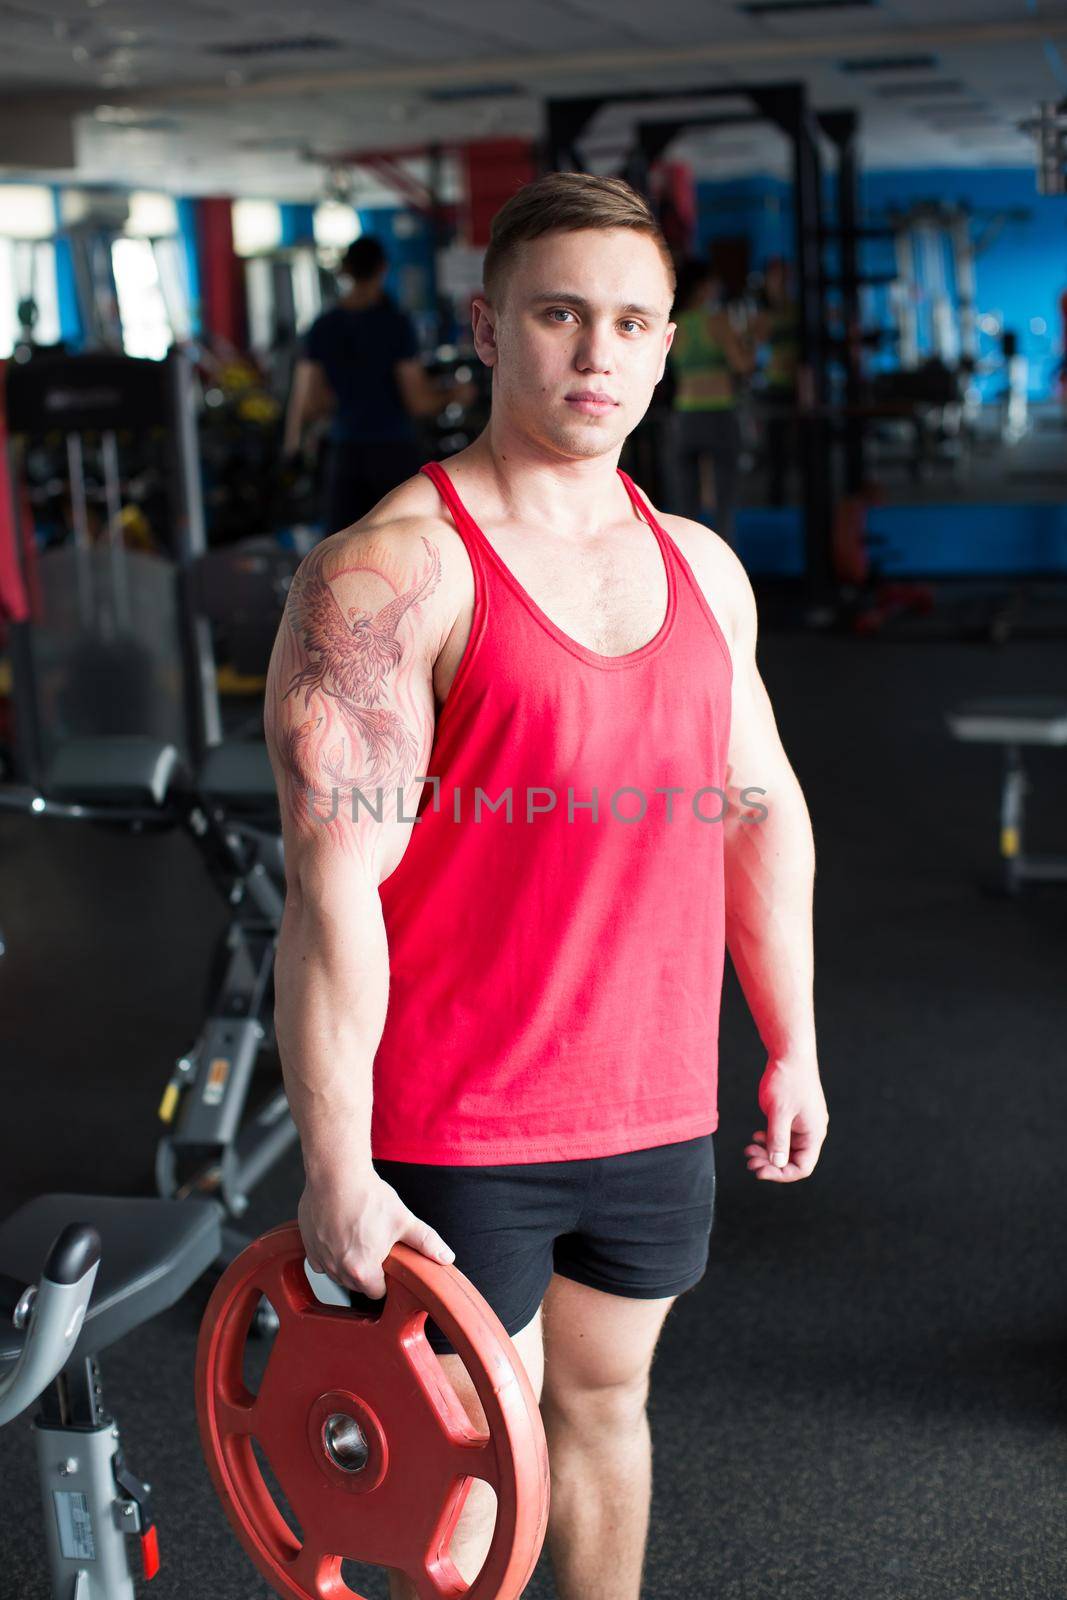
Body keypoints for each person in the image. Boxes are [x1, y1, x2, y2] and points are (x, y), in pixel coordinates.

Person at [265, 171, 828, 1600]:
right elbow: (330, 896)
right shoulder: (392, 575)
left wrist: (790, 1040)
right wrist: (335, 1169)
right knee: (469, 1469)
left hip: (647, 1105)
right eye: (560, 313)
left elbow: (756, 812)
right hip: (459, 1120)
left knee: (599, 1418)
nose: (596, 353)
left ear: (663, 343)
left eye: (631, 322)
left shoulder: (701, 569)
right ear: (485, 327)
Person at [283, 234, 471, 535]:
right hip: (392, 451)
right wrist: (456, 395)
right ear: (382, 269)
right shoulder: (395, 324)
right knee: (401, 544)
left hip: (345, 453)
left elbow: (309, 402)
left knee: (341, 548)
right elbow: (419, 402)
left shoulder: (323, 326)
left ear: (345, 270)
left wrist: (294, 445)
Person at [666, 256, 754, 542]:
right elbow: (742, 364)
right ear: (703, 288)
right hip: (719, 413)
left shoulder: (675, 324)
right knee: (725, 503)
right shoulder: (718, 321)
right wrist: (752, 339)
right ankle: (724, 567)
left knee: (684, 507)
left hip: (685, 415)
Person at [752, 255, 801, 506]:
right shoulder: (761, 314)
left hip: (796, 386)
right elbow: (754, 347)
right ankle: (776, 500)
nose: (781, 282)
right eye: (776, 277)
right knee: (773, 448)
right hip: (771, 386)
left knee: (797, 447)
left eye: (785, 277)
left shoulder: (797, 310)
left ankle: (798, 499)